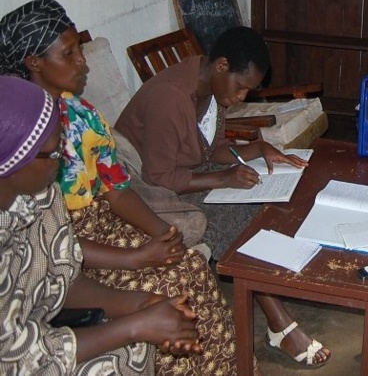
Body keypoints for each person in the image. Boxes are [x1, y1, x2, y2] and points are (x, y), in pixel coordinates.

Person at [0, 0, 271, 375]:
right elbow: (60, 261)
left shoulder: (80, 116)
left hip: (101, 227)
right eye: (70, 53)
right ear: (34, 63)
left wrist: (163, 234)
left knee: (189, 263)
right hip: (90, 243)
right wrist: (138, 267)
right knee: (175, 282)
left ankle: (229, 367)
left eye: (80, 48)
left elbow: (115, 190)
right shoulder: (18, 136)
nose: (83, 61)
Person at [115, 25, 330, 366]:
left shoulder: (213, 92)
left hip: (183, 175)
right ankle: (280, 324)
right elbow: (160, 176)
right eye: (242, 87)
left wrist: (258, 149)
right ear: (221, 66)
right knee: (237, 218)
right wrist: (223, 178)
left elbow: (211, 150)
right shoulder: (170, 97)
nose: (242, 96)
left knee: (258, 199)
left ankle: (274, 302)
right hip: (148, 191)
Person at [0, 76, 201, 375]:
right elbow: (13, 358)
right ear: (11, 163)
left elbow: (64, 279)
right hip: (20, 358)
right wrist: (135, 326)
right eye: (55, 152)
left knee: (139, 344)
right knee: (119, 356)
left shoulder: (43, 195)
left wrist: (144, 305)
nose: (66, 157)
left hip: (43, 331)